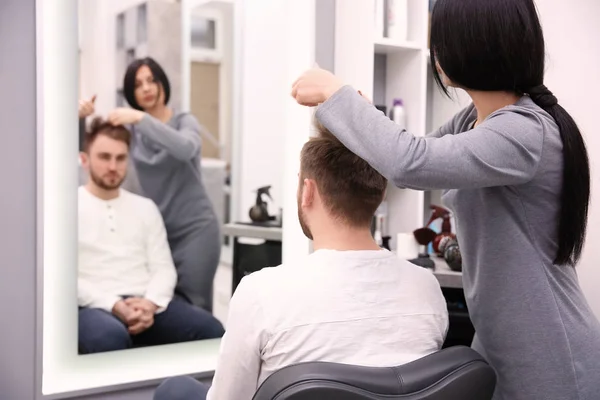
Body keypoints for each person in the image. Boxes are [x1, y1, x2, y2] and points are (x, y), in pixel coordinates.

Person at [290, 1, 600, 399]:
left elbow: (410, 163)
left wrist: (337, 95)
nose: (434, 52)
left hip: (550, 351)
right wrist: (358, 118)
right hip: (499, 343)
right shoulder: (475, 120)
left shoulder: (524, 131)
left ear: (475, 44)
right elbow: (407, 161)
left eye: (440, 39)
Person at [153, 122, 449, 400]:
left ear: (307, 191)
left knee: (175, 390)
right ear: (381, 191)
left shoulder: (260, 293)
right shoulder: (426, 288)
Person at [78, 117, 224, 354]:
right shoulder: (68, 208)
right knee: (107, 337)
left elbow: (163, 268)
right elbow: (64, 279)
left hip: (146, 300)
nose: (113, 166)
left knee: (211, 329)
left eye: (120, 158)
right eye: (104, 157)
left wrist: (150, 303)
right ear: (85, 159)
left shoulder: (145, 207)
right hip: (94, 304)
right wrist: (113, 304)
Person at [104, 57, 221, 312]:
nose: (146, 88)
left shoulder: (183, 121)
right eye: (138, 84)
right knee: (164, 308)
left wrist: (140, 119)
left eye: (151, 80)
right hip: (158, 236)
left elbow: (185, 148)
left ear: (161, 84)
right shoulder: (132, 132)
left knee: (195, 308)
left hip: (196, 231)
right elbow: (100, 148)